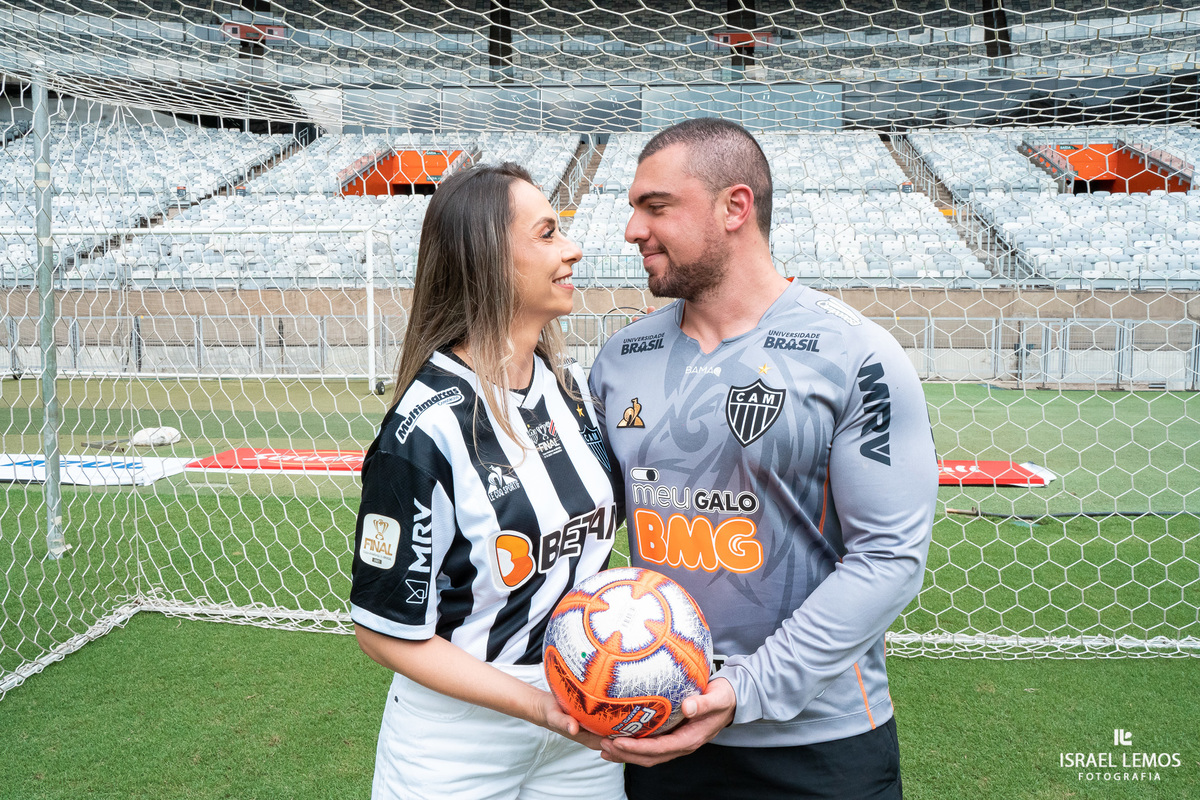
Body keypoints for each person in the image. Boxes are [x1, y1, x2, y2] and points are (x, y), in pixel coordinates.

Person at [587, 118, 938, 799]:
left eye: (655, 207)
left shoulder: (855, 356)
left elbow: (889, 558)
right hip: (660, 728)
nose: (632, 230)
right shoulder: (619, 359)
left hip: (818, 745)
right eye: (633, 209)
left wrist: (746, 687)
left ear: (734, 207)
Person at [350, 162, 625, 800]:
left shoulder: (577, 392)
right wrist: (533, 707)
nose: (573, 250)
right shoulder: (424, 428)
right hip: (456, 739)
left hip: (582, 718)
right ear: (488, 260)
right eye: (548, 234)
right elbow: (381, 628)